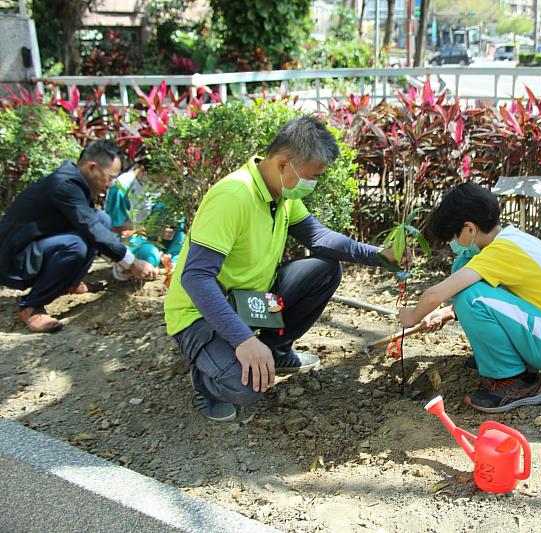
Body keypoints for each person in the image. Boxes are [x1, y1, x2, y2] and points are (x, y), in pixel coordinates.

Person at [164, 116, 405, 422]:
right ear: (282, 164)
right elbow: (196, 279)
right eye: (311, 176)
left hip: (250, 300)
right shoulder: (232, 197)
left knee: (324, 270)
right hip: (199, 314)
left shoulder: (280, 193)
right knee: (246, 387)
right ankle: (207, 382)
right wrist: (244, 341)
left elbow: (318, 238)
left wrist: (381, 256)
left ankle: (273, 350)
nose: (313, 185)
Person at [397, 183, 541, 414]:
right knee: (463, 269)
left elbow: (435, 294)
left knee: (469, 296)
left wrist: (412, 316)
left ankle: (516, 382)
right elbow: (509, 297)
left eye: (453, 237)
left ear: (469, 228)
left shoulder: (501, 251)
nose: (453, 244)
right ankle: (503, 359)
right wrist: (447, 312)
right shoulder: (510, 240)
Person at [0, 140, 157, 333]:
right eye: (109, 178)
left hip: (36, 246)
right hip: (14, 258)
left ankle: (68, 284)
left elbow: (93, 226)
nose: (110, 184)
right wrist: (132, 262)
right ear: (92, 167)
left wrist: (119, 260)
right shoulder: (65, 185)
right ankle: (32, 306)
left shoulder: (76, 182)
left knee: (102, 219)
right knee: (75, 245)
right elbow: (90, 229)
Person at [104, 163, 185, 277]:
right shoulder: (121, 187)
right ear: (143, 170)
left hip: (149, 232)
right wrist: (154, 230)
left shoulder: (155, 184)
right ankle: (125, 266)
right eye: (157, 179)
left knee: (176, 211)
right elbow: (116, 226)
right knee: (150, 254)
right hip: (130, 238)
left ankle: (173, 259)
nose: (163, 182)